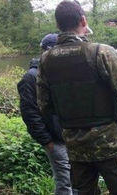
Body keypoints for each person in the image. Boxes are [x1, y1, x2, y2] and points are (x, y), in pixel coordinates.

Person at [37, 1, 117, 194]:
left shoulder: (46, 60)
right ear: (83, 20)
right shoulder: (101, 52)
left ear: (59, 25)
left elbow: (44, 105)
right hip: (109, 143)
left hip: (75, 146)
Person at [17, 33, 73, 195]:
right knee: (65, 182)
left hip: (72, 137)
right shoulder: (31, 77)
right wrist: (46, 141)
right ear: (48, 51)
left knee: (78, 179)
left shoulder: (61, 73)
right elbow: (29, 113)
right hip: (54, 141)